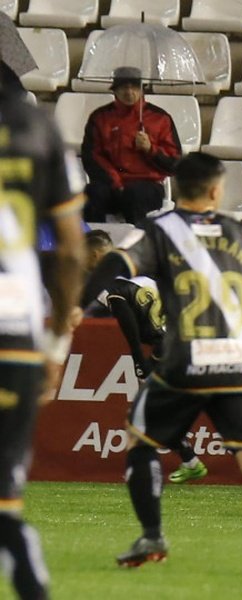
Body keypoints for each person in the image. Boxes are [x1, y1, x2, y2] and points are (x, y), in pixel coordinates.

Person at [81, 152, 242, 575]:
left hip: (185, 359)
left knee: (141, 439)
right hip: (240, 362)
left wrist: (77, 305)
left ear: (174, 188)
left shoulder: (163, 230)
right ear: (217, 190)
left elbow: (116, 263)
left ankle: (152, 534)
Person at [83, 232, 242, 484]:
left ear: (95, 256)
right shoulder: (141, 269)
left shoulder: (109, 285)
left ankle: (190, 461)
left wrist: (139, 363)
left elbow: (128, 323)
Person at [0, 77, 86, 599]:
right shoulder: (39, 128)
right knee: (4, 500)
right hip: (16, 327)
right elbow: (73, 251)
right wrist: (56, 344)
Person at [81, 66, 181, 224]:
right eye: (123, 88)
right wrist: (115, 182)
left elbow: (175, 163)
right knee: (91, 193)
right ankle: (93, 242)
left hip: (147, 186)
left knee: (135, 196)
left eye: (134, 87)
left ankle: (137, 243)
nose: (129, 92)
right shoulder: (100, 117)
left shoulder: (160, 118)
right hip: (110, 184)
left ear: (142, 90)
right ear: (115, 90)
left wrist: (151, 149)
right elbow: (92, 157)